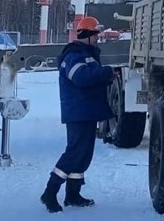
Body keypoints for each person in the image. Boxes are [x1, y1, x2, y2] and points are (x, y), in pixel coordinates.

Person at [39, 16, 114, 212]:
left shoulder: (85, 53)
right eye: (96, 34)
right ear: (87, 34)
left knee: (84, 154)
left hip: (86, 111)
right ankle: (50, 192)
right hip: (79, 112)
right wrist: (104, 73)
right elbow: (80, 78)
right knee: (74, 153)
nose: (98, 37)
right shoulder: (74, 56)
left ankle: (73, 194)